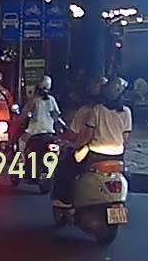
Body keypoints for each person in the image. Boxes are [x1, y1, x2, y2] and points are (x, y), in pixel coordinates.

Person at [52, 76, 130, 208]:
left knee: (66, 167)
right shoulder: (126, 112)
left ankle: (65, 201)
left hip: (96, 154)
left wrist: (75, 147)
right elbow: (126, 138)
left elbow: (87, 136)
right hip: (118, 156)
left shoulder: (97, 110)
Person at [19, 76, 64, 151]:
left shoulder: (34, 100)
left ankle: (22, 158)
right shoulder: (52, 100)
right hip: (50, 131)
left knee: (21, 141)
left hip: (34, 131)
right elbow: (56, 116)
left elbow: (23, 115)